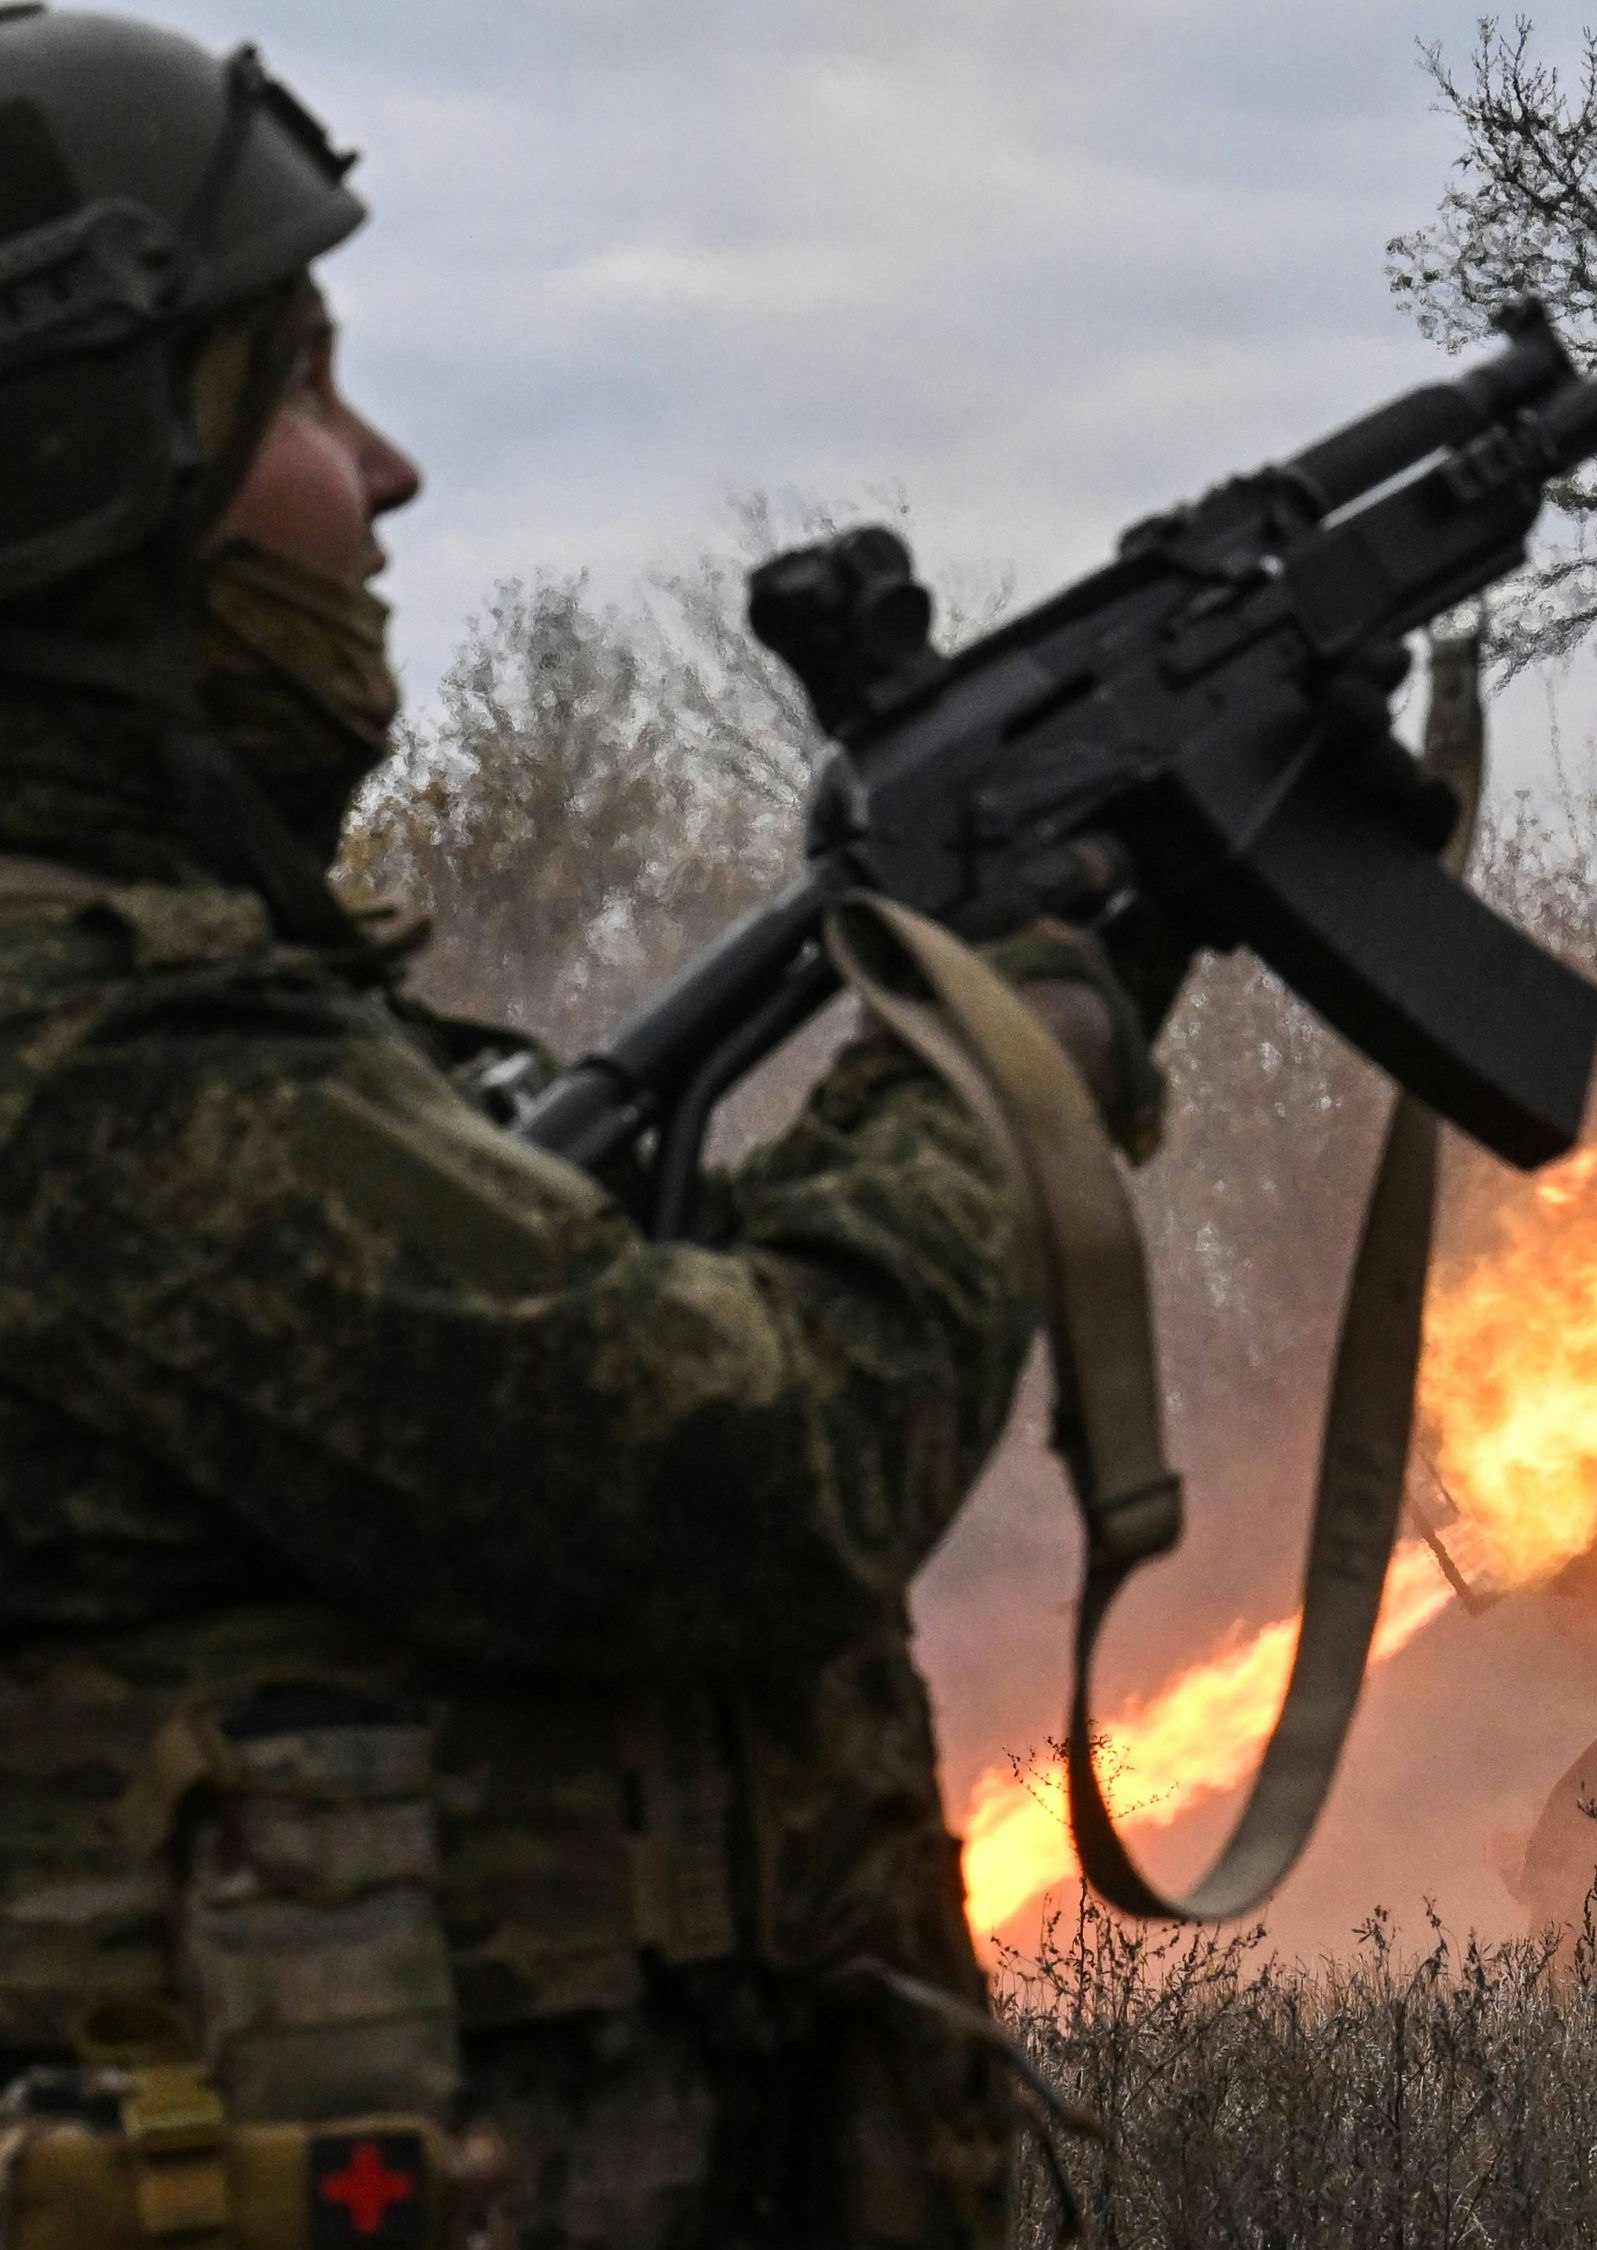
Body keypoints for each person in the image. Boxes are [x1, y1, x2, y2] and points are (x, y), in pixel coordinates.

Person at [0, 12, 1181, 2242]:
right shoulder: (105, 1076)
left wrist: (1063, 962)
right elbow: (755, 1453)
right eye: (302, 388)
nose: (388, 469)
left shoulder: (187, 1022)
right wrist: (1009, 1042)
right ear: (94, 472)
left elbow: (621, 1322)